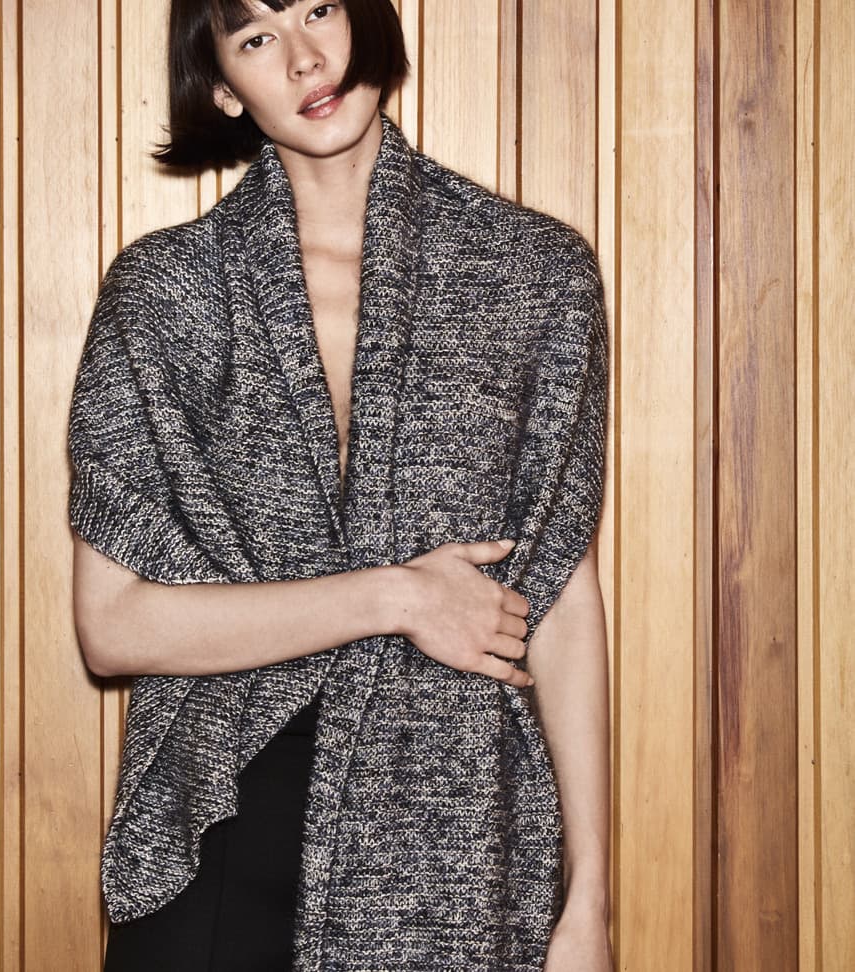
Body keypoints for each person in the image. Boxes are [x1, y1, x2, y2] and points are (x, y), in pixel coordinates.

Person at [68, 1, 612, 969]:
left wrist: (591, 902)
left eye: (319, 8)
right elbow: (113, 626)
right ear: (224, 87)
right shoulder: (165, 293)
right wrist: (396, 597)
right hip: (223, 824)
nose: (305, 58)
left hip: (453, 834)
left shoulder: (535, 275)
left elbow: (562, 598)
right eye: (256, 37)